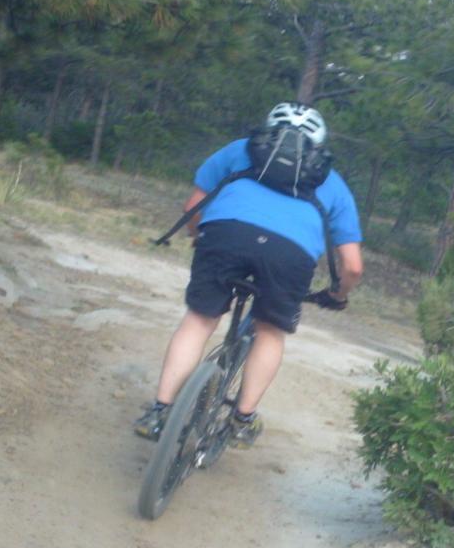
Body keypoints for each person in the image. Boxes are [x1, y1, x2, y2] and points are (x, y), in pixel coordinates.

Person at [134, 102, 363, 445]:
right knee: (269, 332)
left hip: (225, 235)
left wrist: (200, 239)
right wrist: (337, 295)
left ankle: (158, 412)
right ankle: (242, 420)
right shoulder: (333, 182)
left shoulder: (238, 150)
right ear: (318, 144)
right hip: (289, 256)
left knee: (199, 320)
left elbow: (192, 207)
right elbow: (353, 265)